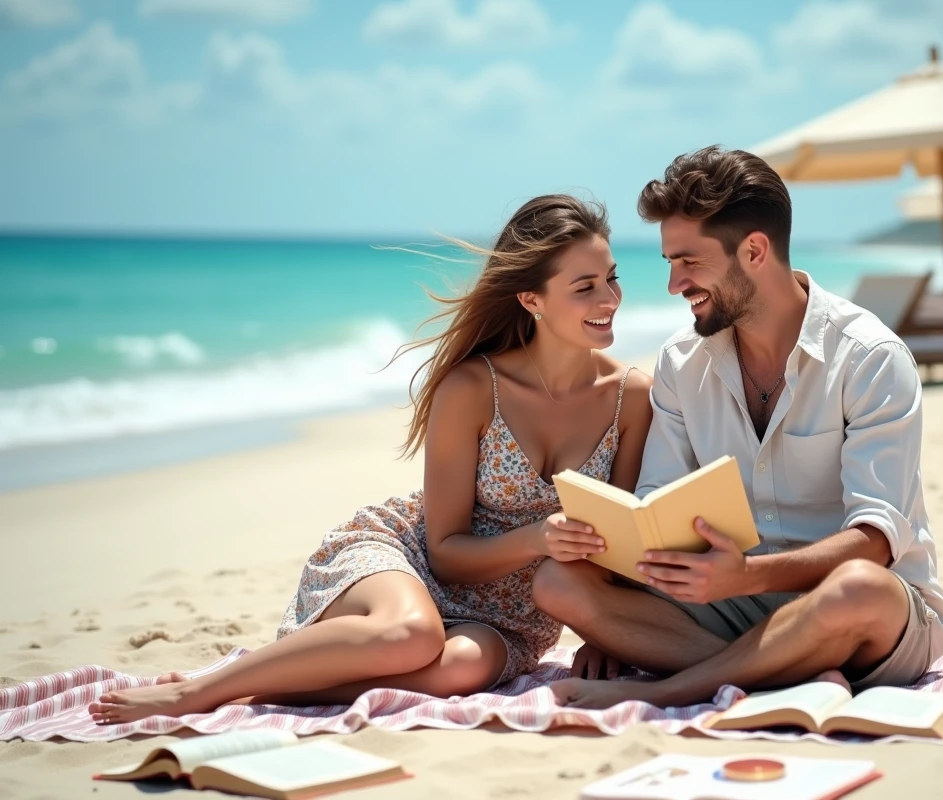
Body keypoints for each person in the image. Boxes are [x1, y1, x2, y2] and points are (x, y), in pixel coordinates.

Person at [88, 195, 653, 724]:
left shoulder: (632, 396)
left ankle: (250, 685)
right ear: (532, 300)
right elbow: (447, 554)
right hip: (409, 561)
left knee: (459, 669)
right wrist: (537, 539)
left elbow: (620, 545)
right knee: (409, 635)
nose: (609, 300)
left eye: (612, 279)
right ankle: (195, 691)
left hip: (510, 618)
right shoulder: (474, 388)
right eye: (585, 287)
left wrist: (606, 635)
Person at [533, 147, 943, 709]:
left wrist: (744, 578)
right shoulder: (682, 363)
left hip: (865, 610)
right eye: (668, 262)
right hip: (727, 603)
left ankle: (673, 688)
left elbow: (875, 542)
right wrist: (619, 593)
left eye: (689, 261)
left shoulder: (870, 357)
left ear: (754, 250)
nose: (674, 283)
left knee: (859, 591)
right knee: (556, 582)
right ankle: (786, 670)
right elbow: (657, 500)